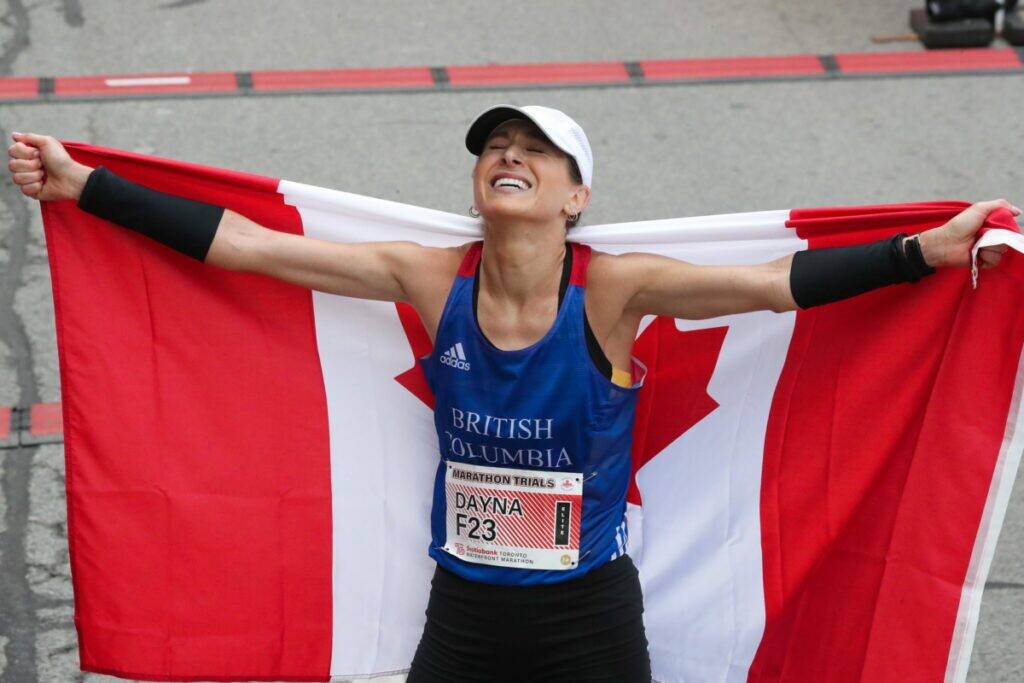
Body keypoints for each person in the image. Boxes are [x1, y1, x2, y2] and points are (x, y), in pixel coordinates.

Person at [7, 106, 1018, 682]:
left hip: (588, 617)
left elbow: (770, 287)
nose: (508, 157)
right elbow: (253, 248)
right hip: (465, 612)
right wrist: (86, 185)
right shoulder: (426, 276)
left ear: (577, 196)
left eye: (536, 150)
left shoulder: (614, 290)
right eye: (495, 146)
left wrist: (915, 253)